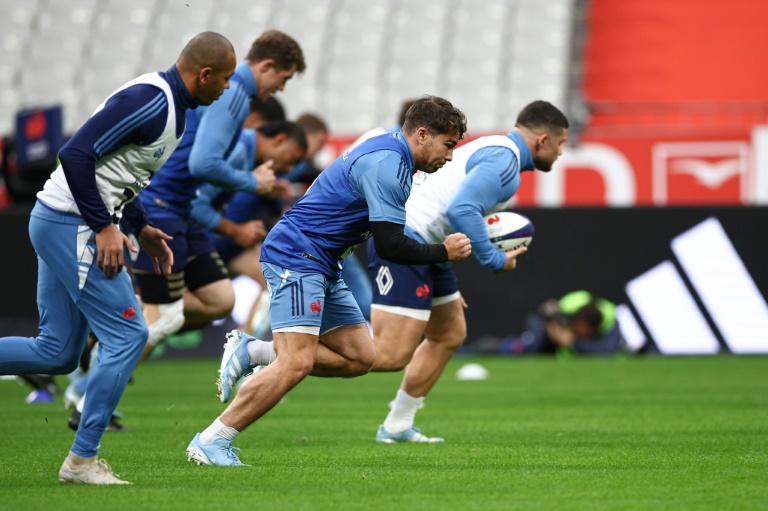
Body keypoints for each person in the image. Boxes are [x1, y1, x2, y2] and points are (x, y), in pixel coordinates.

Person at [0, 31, 237, 484]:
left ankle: (82, 459)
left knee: (57, 352)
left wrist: (140, 226)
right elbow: (74, 153)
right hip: (72, 223)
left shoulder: (171, 107)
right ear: (204, 74)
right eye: (224, 79)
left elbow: (121, 173)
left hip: (60, 220)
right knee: (129, 334)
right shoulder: (154, 101)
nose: (226, 88)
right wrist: (104, 225)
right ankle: (82, 461)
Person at [186, 95, 472, 466]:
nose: (450, 156)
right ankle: (211, 441)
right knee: (295, 363)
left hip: (322, 262)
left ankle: (253, 351)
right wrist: (443, 253)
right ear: (421, 134)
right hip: (297, 256)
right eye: (448, 145)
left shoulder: (392, 155)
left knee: (360, 357)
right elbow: (390, 245)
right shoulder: (388, 164)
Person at [367, 100, 569, 443]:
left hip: (433, 248)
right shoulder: (505, 162)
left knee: (449, 334)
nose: (561, 152)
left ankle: (397, 425)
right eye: (561, 143)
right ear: (543, 139)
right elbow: (461, 208)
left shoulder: (499, 151)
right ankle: (272, 354)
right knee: (389, 355)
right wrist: (493, 259)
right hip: (409, 240)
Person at [131, 30, 306, 360]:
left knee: (219, 301)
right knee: (160, 318)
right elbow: (202, 162)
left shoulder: (230, 92)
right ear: (267, 66)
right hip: (163, 205)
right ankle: (88, 395)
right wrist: (251, 182)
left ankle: (126, 317)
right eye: (283, 78)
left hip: (177, 206)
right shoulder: (235, 93)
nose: (281, 88)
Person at [191, 121, 308, 336]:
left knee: (278, 277)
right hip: (205, 241)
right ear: (279, 140)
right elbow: (196, 205)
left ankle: (243, 346)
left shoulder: (263, 174)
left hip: (229, 246)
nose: (290, 169)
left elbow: (276, 216)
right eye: (293, 159)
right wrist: (237, 230)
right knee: (175, 316)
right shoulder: (240, 152)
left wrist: (270, 196)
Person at [479, 290, 624, 356]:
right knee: (534, 346)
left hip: (567, 346)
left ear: (593, 328)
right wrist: (554, 328)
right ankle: (500, 347)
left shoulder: (611, 319)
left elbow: (606, 352)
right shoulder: (570, 306)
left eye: (581, 330)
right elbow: (544, 311)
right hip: (546, 329)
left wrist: (572, 341)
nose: (577, 331)